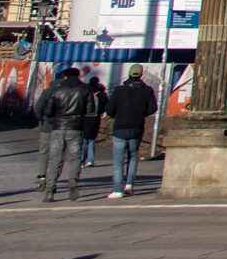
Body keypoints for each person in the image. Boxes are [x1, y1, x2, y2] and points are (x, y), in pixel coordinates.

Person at [35, 67, 96, 202]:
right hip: (76, 127)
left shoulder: (57, 90)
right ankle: (73, 179)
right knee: (75, 158)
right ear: (78, 76)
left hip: (58, 128)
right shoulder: (85, 89)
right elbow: (91, 110)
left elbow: (49, 111)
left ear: (65, 77)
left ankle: (50, 191)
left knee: (55, 160)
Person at [104, 65, 159, 198]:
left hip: (120, 127)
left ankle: (118, 189)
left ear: (129, 74)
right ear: (141, 75)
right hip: (137, 126)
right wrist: (141, 114)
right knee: (133, 155)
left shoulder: (119, 90)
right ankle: (129, 184)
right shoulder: (147, 91)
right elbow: (153, 108)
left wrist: (118, 114)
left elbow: (110, 110)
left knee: (118, 159)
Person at [80, 76, 106, 166]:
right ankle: (90, 160)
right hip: (96, 118)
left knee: (84, 139)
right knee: (92, 139)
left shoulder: (85, 91)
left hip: (85, 118)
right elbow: (106, 104)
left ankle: (81, 160)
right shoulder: (101, 93)